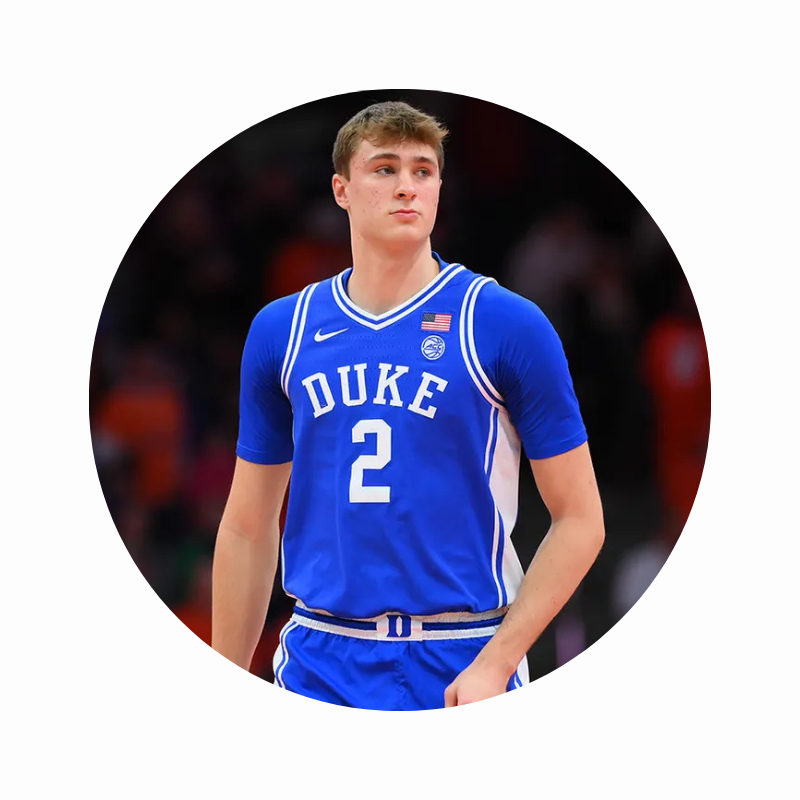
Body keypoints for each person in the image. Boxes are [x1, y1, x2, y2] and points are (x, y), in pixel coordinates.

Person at [211, 101, 605, 710]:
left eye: (423, 170)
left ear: (441, 188)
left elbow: (581, 518)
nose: (407, 187)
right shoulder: (282, 330)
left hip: (463, 650)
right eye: (385, 168)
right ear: (341, 190)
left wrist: (497, 661)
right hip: (321, 653)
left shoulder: (505, 324)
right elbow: (246, 526)